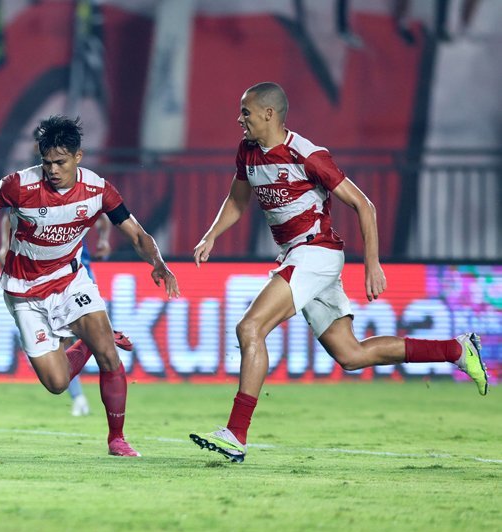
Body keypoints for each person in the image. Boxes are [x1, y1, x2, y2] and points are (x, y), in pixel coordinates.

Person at [190, 82, 489, 464]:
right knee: (351, 355)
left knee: (250, 329)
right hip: (297, 255)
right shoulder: (247, 152)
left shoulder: (308, 155)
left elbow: (364, 205)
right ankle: (456, 349)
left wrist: (373, 263)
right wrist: (211, 235)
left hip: (315, 253)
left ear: (269, 114)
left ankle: (236, 433)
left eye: (245, 112)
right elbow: (237, 198)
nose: (239, 119)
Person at [0, 115, 180, 457]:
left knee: (110, 354)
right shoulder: (19, 185)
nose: (52, 169)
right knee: (58, 383)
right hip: (23, 292)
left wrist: (159, 264)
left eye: (60, 162)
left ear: (79, 156)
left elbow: (135, 232)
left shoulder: (99, 190)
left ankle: (116, 439)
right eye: (46, 162)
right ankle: (88, 344)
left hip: (70, 281)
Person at [0, 210, 112, 417]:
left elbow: (103, 216)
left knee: (93, 339)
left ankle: (93, 404)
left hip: (78, 276)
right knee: (63, 344)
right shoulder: (32, 198)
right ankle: (78, 397)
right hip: (46, 282)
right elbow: (8, 216)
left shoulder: (78, 199)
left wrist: (104, 240)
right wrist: (6, 245)